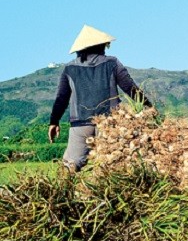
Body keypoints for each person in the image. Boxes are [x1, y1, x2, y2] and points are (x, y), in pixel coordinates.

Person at [48, 25, 151, 171]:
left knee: (70, 165)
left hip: (80, 125)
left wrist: (54, 121)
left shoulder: (69, 68)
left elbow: (61, 98)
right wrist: (149, 106)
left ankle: (62, 192)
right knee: (112, 166)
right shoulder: (112, 63)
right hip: (109, 123)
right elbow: (130, 88)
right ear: (101, 45)